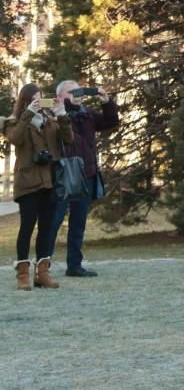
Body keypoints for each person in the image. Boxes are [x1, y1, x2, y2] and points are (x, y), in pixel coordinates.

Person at [4, 83, 73, 290]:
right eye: (34, 99)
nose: (38, 102)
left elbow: (69, 139)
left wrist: (62, 114)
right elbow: (15, 139)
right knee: (26, 227)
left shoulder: (50, 122)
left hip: (50, 182)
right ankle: (22, 275)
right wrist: (28, 113)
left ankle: (42, 273)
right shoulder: (14, 122)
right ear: (25, 101)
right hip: (28, 182)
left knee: (46, 228)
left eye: (41, 98)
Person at [49, 80, 119, 278]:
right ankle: (43, 264)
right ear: (60, 96)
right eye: (73, 92)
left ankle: (74, 265)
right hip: (63, 175)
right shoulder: (56, 115)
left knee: (78, 223)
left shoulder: (86, 115)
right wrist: (66, 106)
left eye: (80, 91)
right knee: (53, 222)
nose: (78, 94)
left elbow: (110, 122)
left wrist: (106, 102)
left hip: (85, 175)